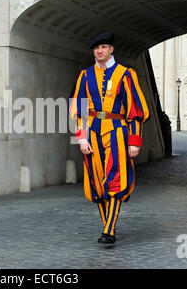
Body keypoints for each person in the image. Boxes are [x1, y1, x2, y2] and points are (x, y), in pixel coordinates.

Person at [69, 32, 149, 246]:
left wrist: (135, 140)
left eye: (104, 46)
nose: (100, 51)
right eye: (96, 48)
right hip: (92, 131)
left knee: (115, 177)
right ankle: (108, 227)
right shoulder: (85, 76)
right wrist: (81, 137)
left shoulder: (125, 74)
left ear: (111, 49)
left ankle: (109, 229)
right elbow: (79, 110)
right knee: (96, 181)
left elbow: (135, 110)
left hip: (117, 131)